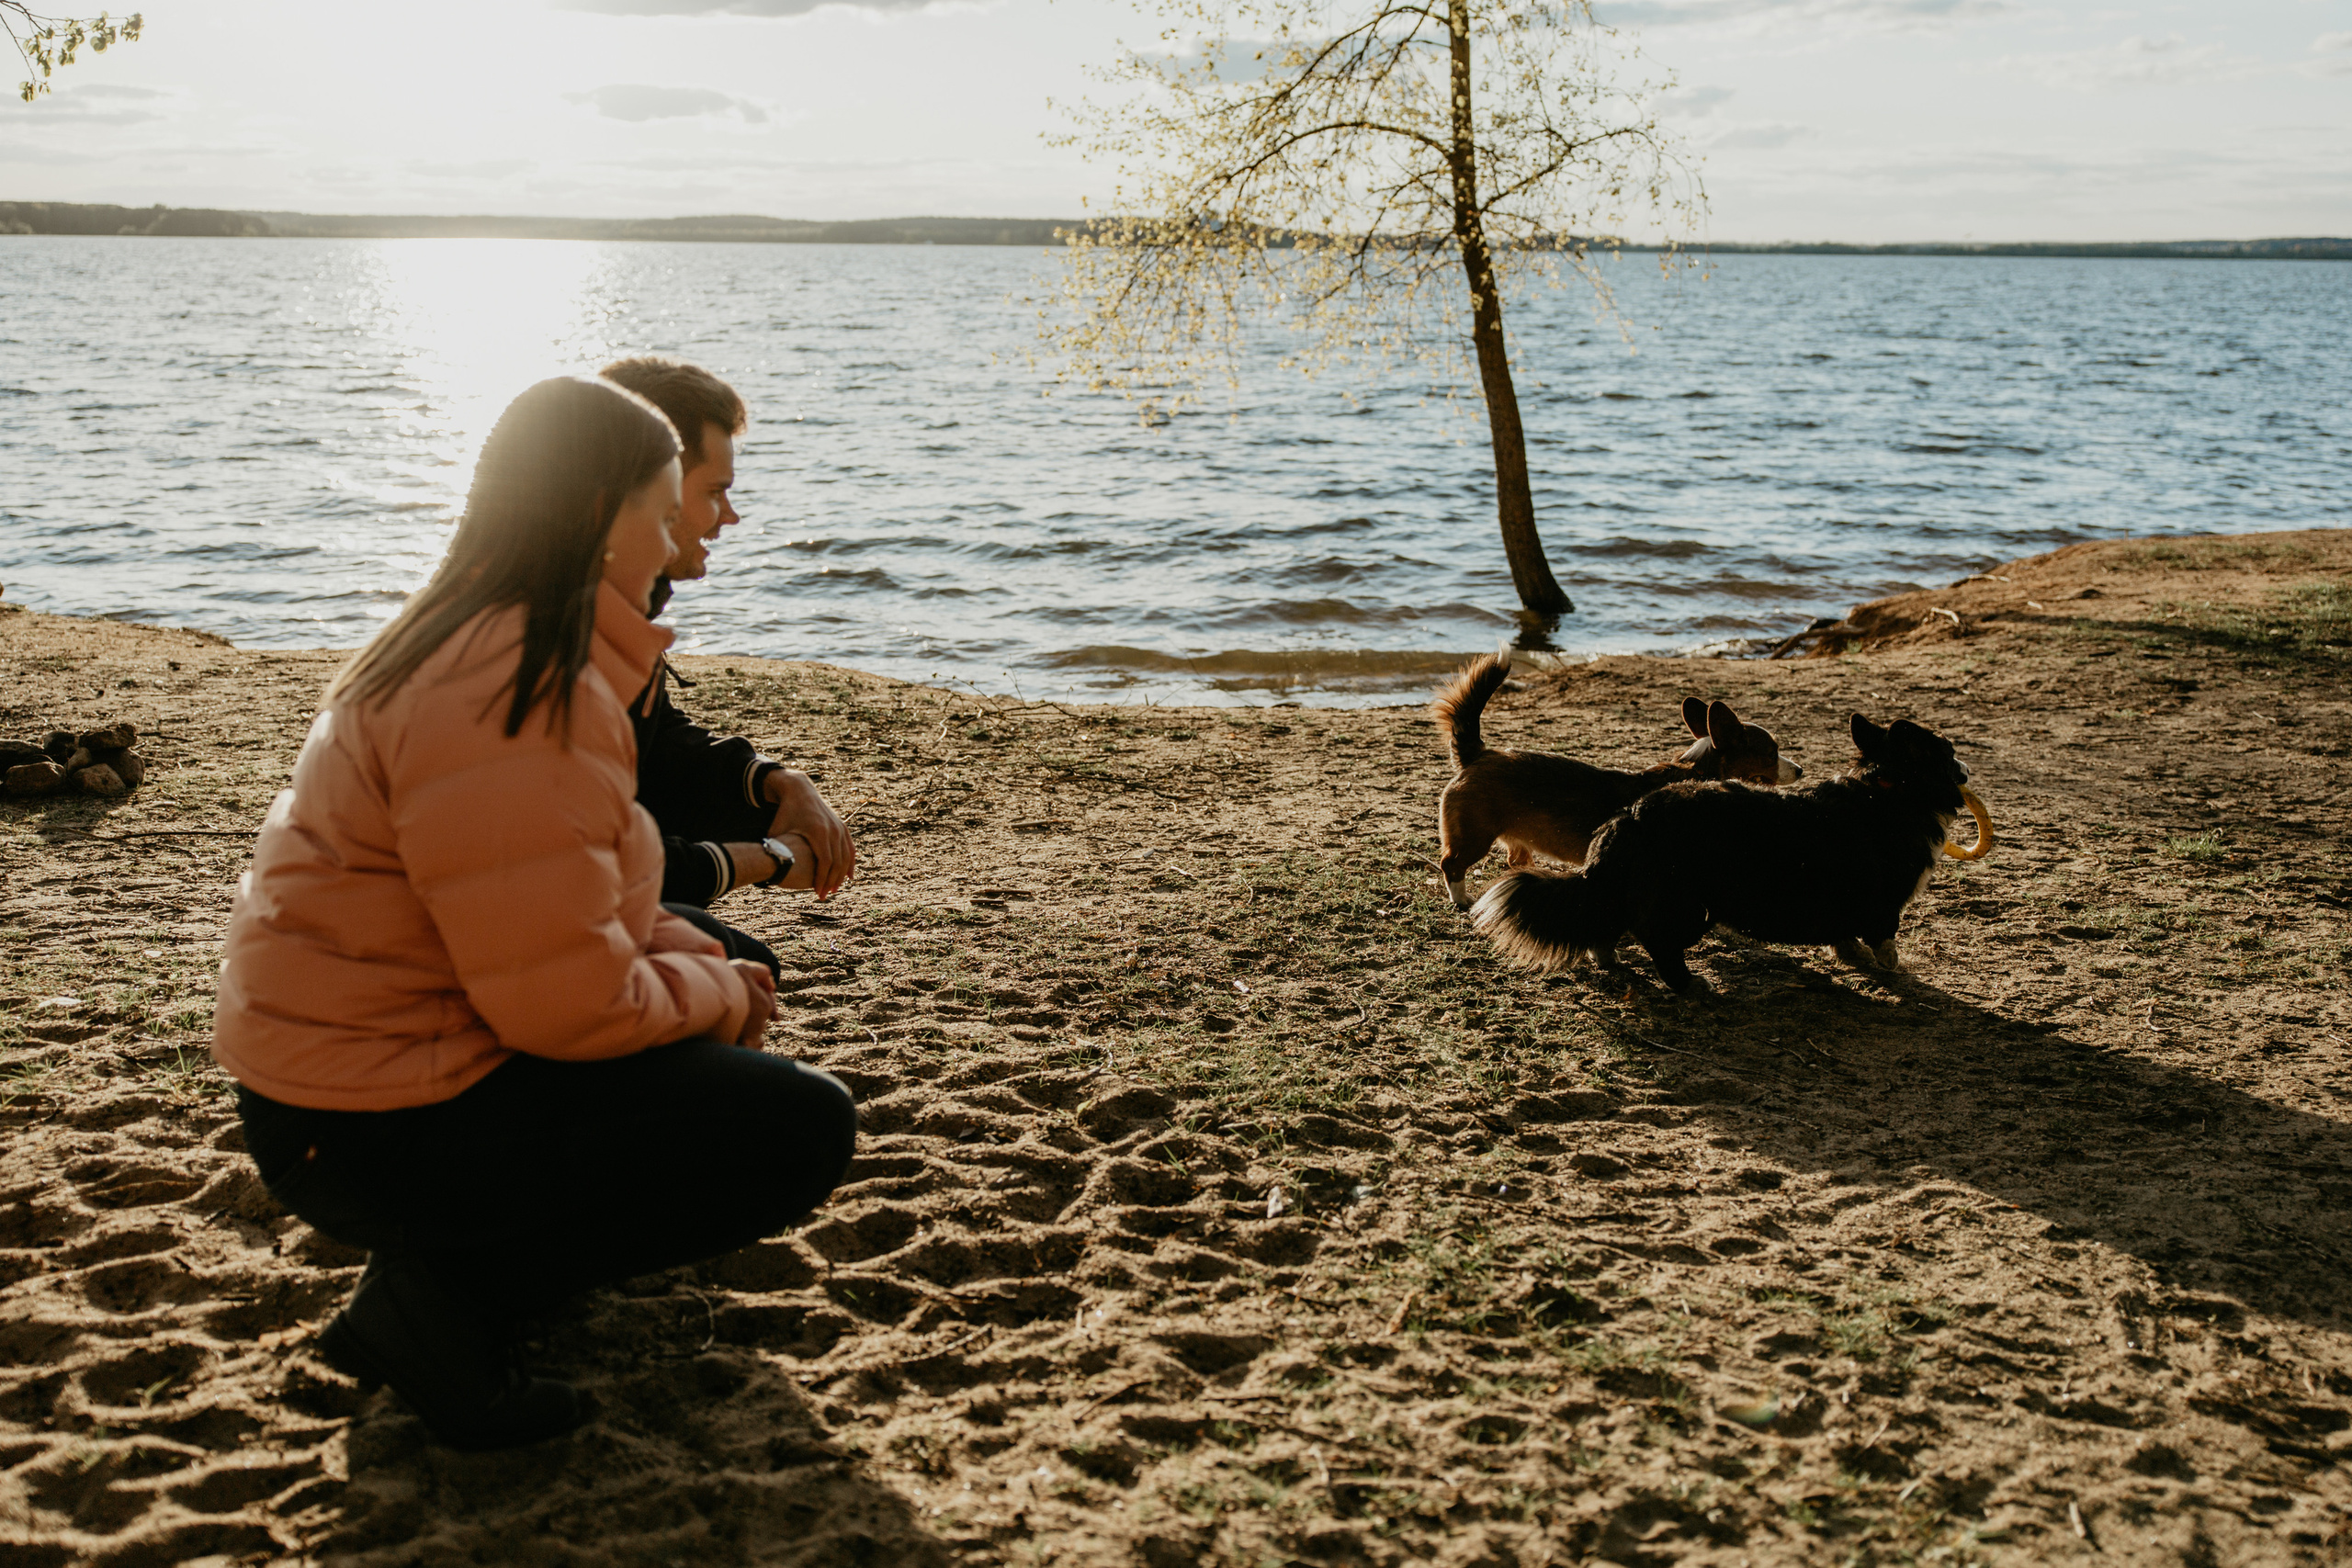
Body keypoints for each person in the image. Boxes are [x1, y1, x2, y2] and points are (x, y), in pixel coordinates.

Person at [212, 376, 858, 1451]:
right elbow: (564, 1006)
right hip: (355, 1123)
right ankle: (434, 1307)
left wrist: (697, 952)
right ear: (601, 517)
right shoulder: (511, 692)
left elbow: (587, 887)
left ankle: (447, 1267)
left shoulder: (495, 644)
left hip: (350, 1077)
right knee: (794, 1127)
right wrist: (713, 993)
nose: (675, 542)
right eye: (663, 512)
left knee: (725, 978)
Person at [596, 355, 857, 911]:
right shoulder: (558, 637)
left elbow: (654, 745)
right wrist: (772, 859)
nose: (730, 516)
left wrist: (772, 781)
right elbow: (593, 859)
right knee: (744, 969)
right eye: (714, 491)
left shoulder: (617, 607)